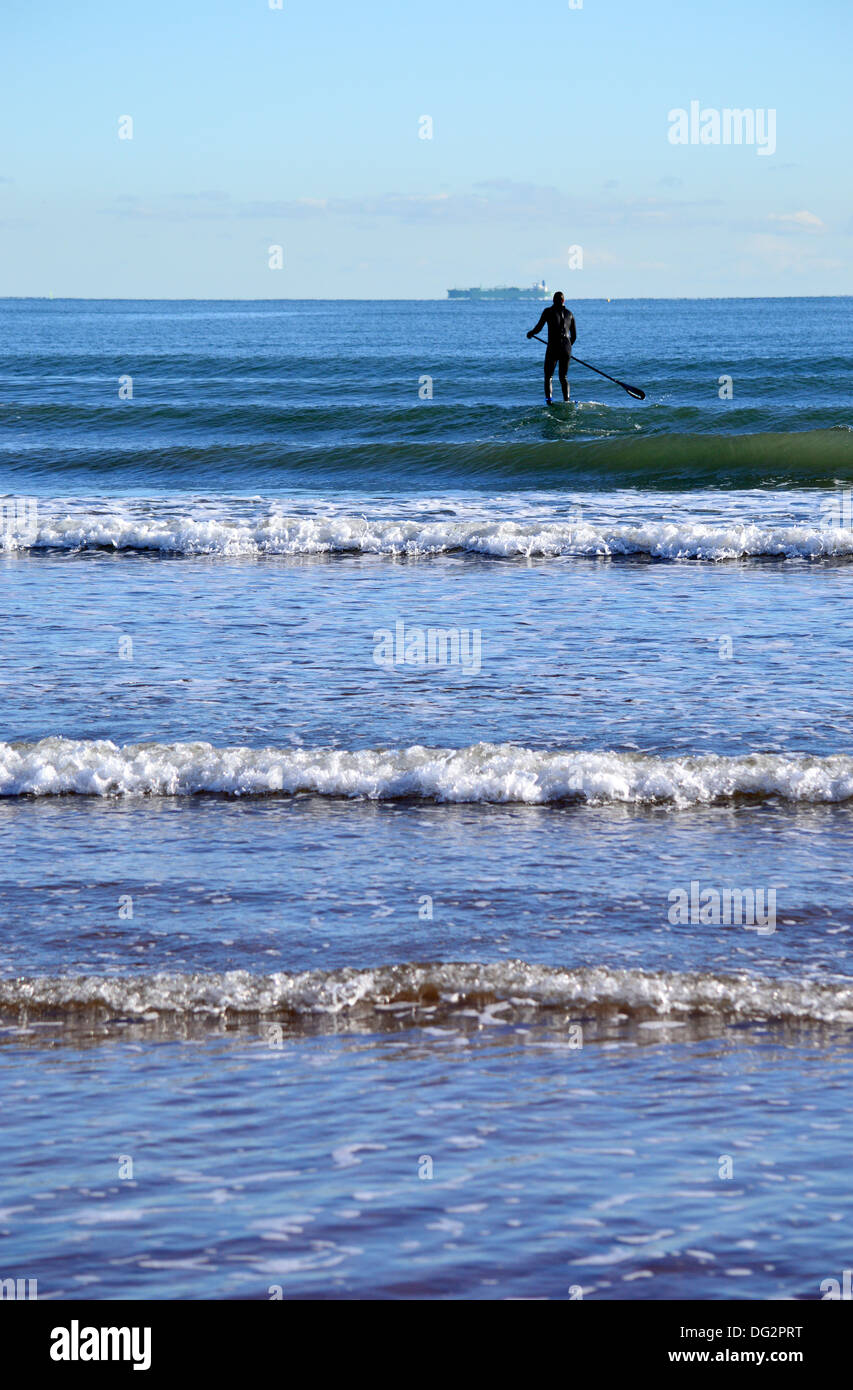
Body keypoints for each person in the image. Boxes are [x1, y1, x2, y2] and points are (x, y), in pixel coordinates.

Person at [527, 291, 577, 404]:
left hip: (553, 346)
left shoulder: (548, 311)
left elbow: (538, 328)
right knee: (563, 377)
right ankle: (567, 401)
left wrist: (530, 333)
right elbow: (574, 336)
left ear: (553, 300)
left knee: (548, 376)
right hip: (567, 347)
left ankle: (549, 402)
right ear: (563, 301)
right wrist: (567, 349)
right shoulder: (570, 314)